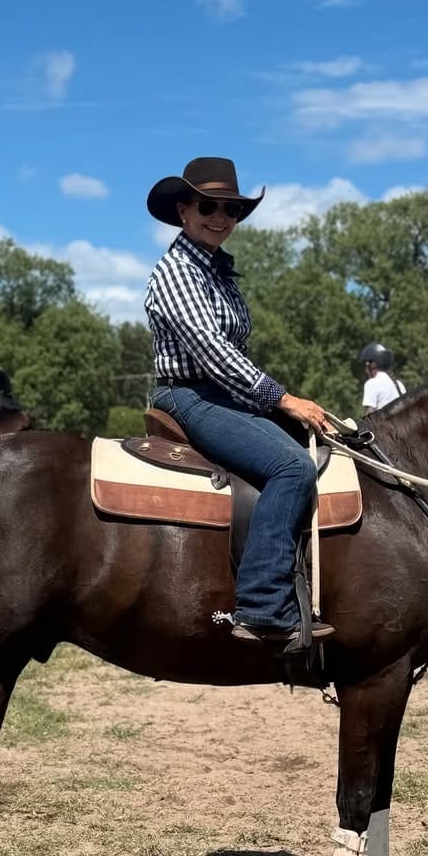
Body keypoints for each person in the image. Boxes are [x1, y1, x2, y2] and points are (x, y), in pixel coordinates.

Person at [145, 156, 335, 648]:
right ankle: (263, 605)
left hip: (225, 394)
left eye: (231, 209)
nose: (221, 217)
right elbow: (214, 352)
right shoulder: (176, 273)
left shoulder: (218, 273)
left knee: (322, 446)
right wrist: (283, 399)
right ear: (183, 210)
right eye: (208, 206)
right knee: (291, 467)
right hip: (191, 395)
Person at [360, 343, 406, 411]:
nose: (365, 370)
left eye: (366, 366)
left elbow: (370, 413)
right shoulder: (400, 384)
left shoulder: (371, 384)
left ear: (373, 365)